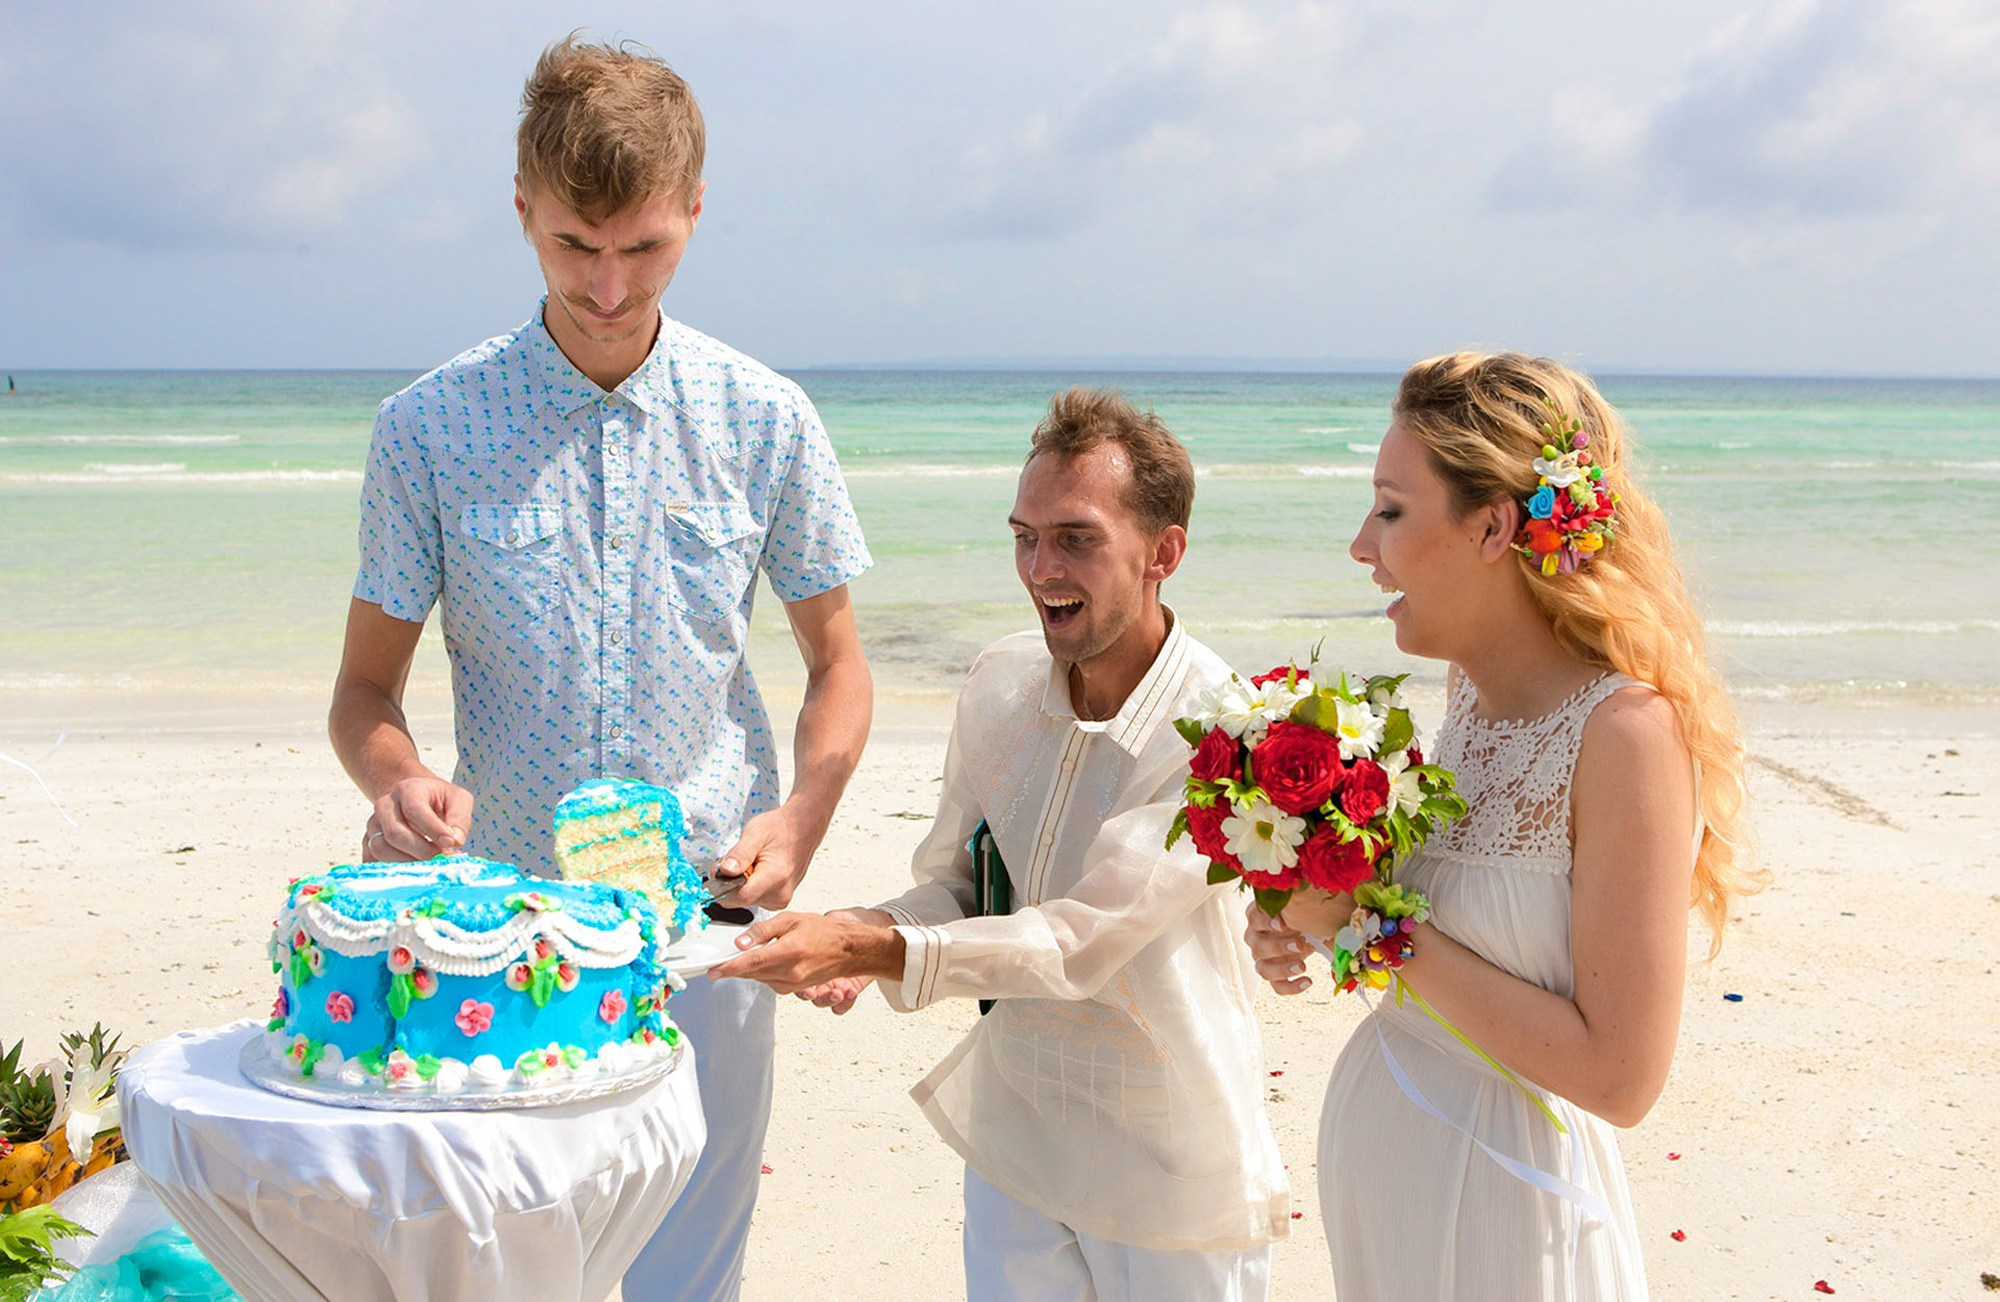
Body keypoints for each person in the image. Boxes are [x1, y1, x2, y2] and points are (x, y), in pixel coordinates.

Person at [327, 36, 875, 1300]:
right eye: (576, 245)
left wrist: (801, 819)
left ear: (695, 211)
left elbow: (838, 664)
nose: (610, 286)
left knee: (692, 1272)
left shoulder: (766, 418)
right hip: (497, 937)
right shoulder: (425, 427)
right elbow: (364, 693)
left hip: (708, 928)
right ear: (522, 209)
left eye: (644, 246)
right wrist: (397, 781)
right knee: (508, 1267)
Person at [710, 387, 1290, 1301]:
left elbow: (1079, 940)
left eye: (1076, 538)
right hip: (1019, 1136)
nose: (1041, 567)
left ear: (1164, 553)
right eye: (1025, 536)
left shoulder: (1220, 729)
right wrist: (865, 932)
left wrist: (869, 948)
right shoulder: (999, 682)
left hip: (1171, 1161)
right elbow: (959, 883)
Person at [1245, 352, 1762, 1299]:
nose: (1361, 545)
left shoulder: (1626, 736)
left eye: (1390, 510)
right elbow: (1458, 947)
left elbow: (1622, 1077)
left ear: (1492, 527)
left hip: (1512, 1214)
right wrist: (1306, 911)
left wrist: (1368, 927)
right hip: (1393, 1179)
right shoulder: (1468, 701)